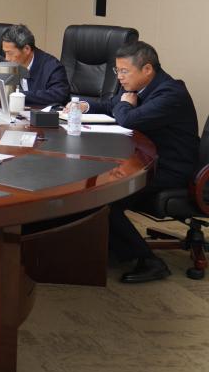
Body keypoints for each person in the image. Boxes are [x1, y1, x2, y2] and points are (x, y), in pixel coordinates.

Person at [77, 41, 199, 283]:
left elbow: (128, 119)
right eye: (117, 71)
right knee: (95, 187)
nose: (119, 77)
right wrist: (84, 105)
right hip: (146, 160)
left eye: (124, 71)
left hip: (171, 167)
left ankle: (150, 261)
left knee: (103, 198)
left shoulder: (170, 94)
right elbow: (114, 105)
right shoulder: (139, 88)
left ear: (147, 69)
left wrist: (124, 105)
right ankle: (112, 247)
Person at [0, 24, 69, 106]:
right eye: (5, 52)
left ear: (26, 49)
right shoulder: (11, 63)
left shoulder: (52, 67)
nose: (7, 58)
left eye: (10, 53)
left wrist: (19, 96)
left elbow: (59, 95)